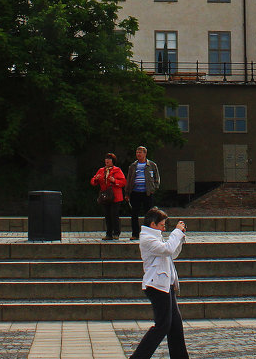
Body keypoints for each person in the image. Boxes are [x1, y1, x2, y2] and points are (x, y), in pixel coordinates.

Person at [129, 207, 189, 359]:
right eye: (162, 225)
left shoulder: (155, 237)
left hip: (165, 285)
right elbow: (168, 249)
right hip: (156, 286)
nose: (164, 228)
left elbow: (172, 253)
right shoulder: (147, 238)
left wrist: (180, 237)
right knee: (162, 326)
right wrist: (176, 232)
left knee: (175, 325)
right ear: (153, 224)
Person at [125, 146, 161, 240]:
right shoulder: (133, 166)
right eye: (137, 152)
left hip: (147, 193)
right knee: (134, 213)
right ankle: (135, 234)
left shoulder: (152, 165)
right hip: (135, 192)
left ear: (145, 154)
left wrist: (154, 188)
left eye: (140, 152)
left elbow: (157, 178)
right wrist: (127, 192)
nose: (138, 154)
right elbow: (129, 179)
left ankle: (149, 234)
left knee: (149, 214)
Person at [91, 153, 126, 240]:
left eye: (109, 159)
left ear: (113, 161)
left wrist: (114, 181)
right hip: (105, 196)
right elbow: (92, 181)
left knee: (114, 214)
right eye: (106, 159)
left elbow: (123, 182)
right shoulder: (101, 170)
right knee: (107, 215)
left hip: (115, 196)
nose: (107, 161)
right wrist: (96, 179)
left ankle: (116, 233)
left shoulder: (117, 170)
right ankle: (109, 233)